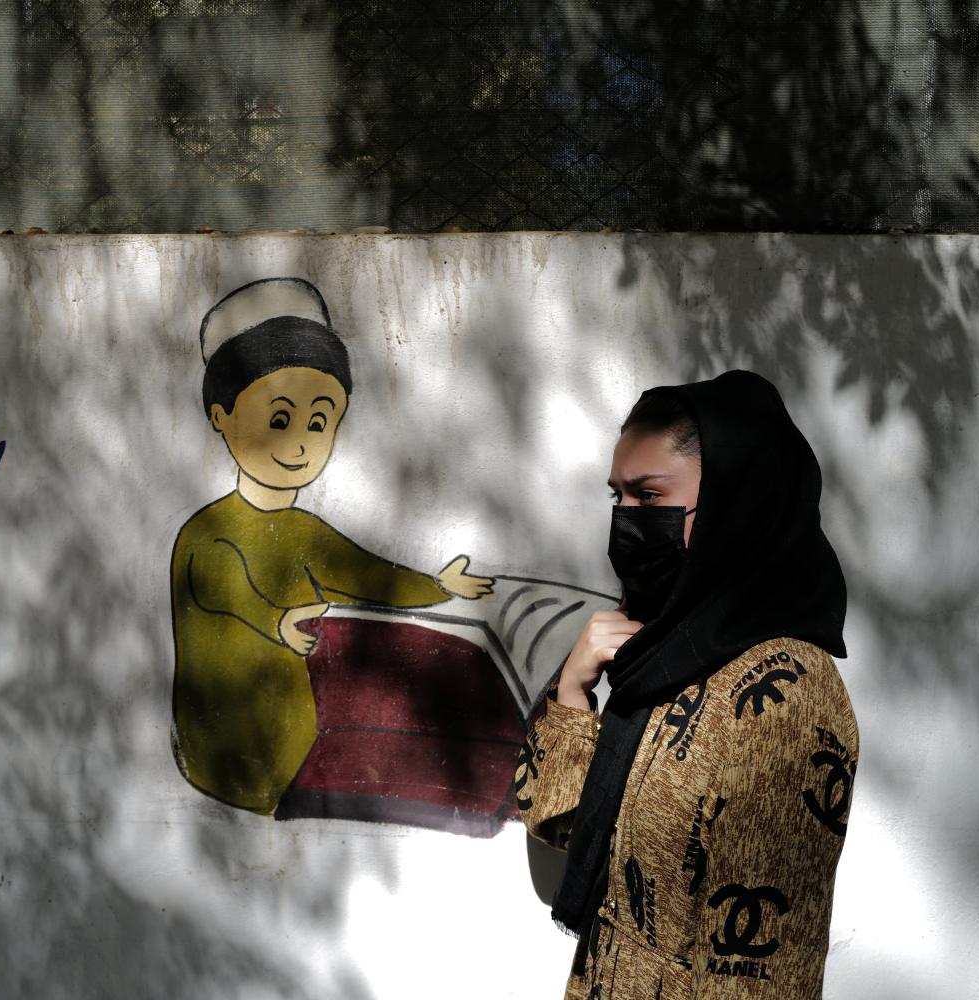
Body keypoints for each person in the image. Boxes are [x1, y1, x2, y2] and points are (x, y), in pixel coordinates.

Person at [515, 370, 858, 999]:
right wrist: (571, 691)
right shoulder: (662, 651)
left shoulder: (786, 697)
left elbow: (761, 980)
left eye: (650, 496)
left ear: (735, 503)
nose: (626, 521)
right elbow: (557, 820)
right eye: (617, 497)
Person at [171, 278, 493, 815]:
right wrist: (276, 620)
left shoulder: (304, 530)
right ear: (221, 415)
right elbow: (225, 585)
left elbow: (366, 574)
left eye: (318, 420)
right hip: (232, 759)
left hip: (303, 739)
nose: (300, 441)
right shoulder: (207, 531)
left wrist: (437, 587)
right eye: (279, 419)